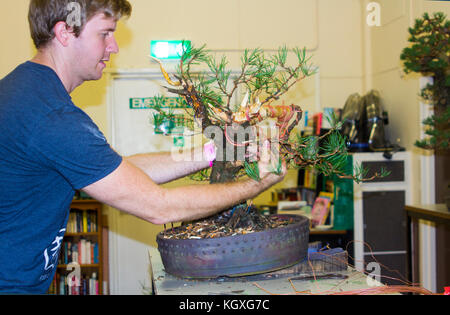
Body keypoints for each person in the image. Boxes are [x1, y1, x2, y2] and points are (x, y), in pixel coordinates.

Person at [0, 0, 286, 294]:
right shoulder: (50, 116)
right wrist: (257, 182)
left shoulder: (27, 93)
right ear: (64, 32)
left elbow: (120, 173)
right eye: (105, 33)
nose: (114, 47)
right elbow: (159, 206)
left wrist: (217, 152)